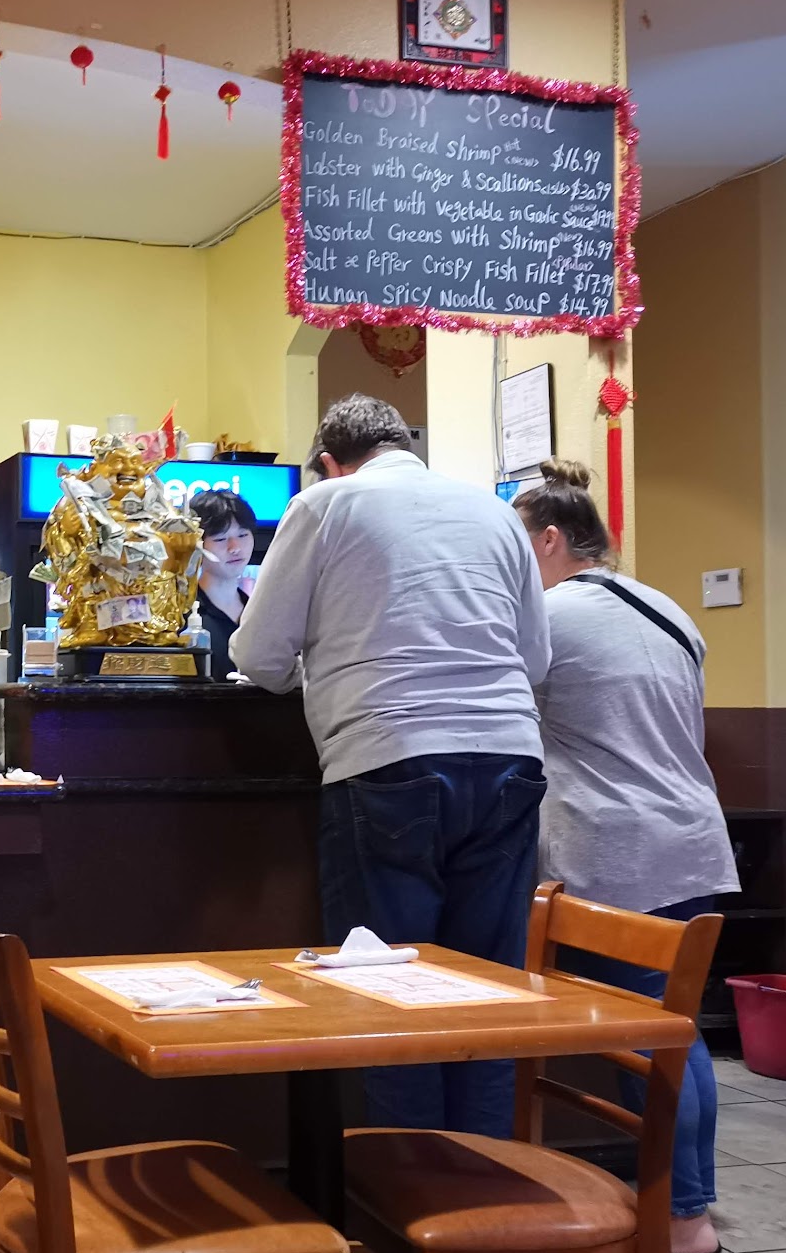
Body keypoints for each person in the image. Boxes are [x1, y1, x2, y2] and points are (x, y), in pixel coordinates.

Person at [232, 394, 550, 1140]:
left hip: (388, 756)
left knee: (386, 987)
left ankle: (412, 1190)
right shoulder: (496, 513)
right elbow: (534, 659)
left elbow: (260, 657)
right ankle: (479, 1182)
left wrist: (326, 663)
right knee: (487, 991)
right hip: (509, 758)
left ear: (330, 462)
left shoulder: (325, 505)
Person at [514, 459, 740, 1253]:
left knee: (652, 1033)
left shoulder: (548, 617)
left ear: (549, 539)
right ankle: (686, 1206)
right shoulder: (667, 608)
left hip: (617, 846)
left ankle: (685, 1217)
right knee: (674, 1026)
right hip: (692, 838)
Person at [188, 487, 257, 680]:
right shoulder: (181, 616)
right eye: (220, 539)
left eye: (243, 535)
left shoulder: (261, 612)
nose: (235, 548)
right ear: (197, 545)